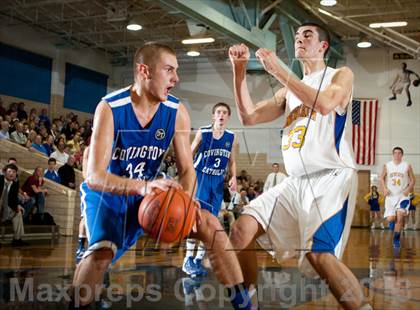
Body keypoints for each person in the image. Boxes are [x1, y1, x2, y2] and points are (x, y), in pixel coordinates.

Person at [71, 43, 250, 309]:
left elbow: (188, 170)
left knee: (212, 227)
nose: (176, 78)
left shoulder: (176, 111)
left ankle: (244, 305)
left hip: (151, 193)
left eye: (176, 71)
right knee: (101, 254)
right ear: (144, 71)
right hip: (109, 194)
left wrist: (185, 200)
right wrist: (141, 187)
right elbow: (94, 176)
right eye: (169, 70)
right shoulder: (110, 108)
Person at [228, 22, 370, 309]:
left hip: (330, 178)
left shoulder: (339, 75)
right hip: (295, 182)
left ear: (323, 46)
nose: (299, 39)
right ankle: (247, 304)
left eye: (307, 35)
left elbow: (326, 104)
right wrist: (239, 70)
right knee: (241, 229)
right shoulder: (288, 92)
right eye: (296, 36)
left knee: (320, 255)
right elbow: (249, 117)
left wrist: (279, 70)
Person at [182, 102, 238, 278]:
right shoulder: (203, 132)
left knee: (211, 223)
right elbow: (189, 154)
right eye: (218, 112)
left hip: (217, 181)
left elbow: (232, 161)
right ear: (213, 116)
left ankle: (198, 260)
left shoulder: (231, 136)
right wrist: (187, 175)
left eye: (225, 112)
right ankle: (187, 259)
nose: (221, 115)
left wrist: (234, 176)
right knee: (196, 220)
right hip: (201, 178)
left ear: (228, 117)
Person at [380, 147, 416, 247]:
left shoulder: (407, 166)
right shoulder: (387, 165)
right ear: (393, 154)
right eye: (395, 153)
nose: (397, 155)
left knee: (400, 217)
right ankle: (392, 224)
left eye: (399, 153)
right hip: (391, 196)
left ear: (402, 155)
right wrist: (384, 188)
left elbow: (413, 180)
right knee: (391, 219)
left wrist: (408, 189)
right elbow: (381, 177)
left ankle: (396, 239)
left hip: (402, 196)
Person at [0, 164, 29, 247]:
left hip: (6, 208)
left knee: (18, 213)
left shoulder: (15, 184)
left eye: (14, 172)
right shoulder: (0, 180)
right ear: (4, 172)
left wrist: (17, 206)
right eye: (9, 171)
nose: (11, 174)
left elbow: (12, 199)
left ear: (16, 174)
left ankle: (17, 239)